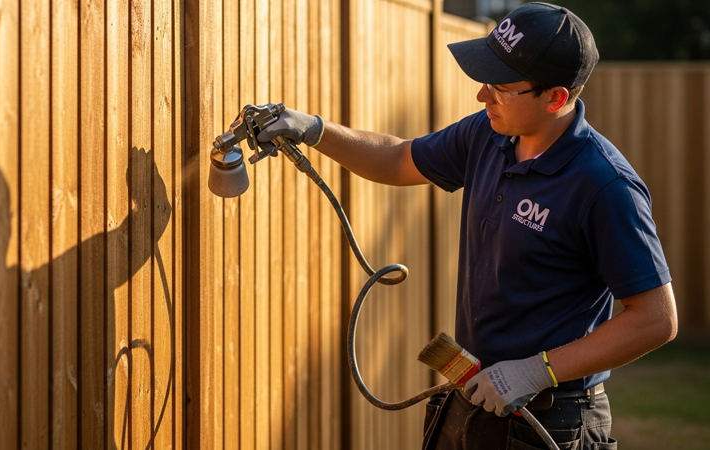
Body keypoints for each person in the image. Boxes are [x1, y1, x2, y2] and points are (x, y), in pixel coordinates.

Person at [255, 2, 678, 449]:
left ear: (555, 97)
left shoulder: (604, 186)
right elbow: (399, 158)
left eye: (500, 86)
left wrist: (535, 370)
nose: (482, 95)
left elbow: (655, 319)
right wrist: (315, 129)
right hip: (473, 399)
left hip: (551, 421)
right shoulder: (489, 135)